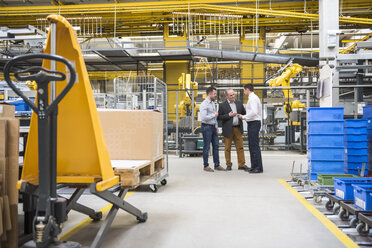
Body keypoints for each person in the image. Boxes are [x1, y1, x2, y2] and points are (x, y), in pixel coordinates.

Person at [218, 89, 249, 171]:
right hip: (228, 129)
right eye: (231, 95)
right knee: (227, 148)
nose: (233, 96)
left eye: (233, 94)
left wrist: (246, 111)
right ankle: (228, 164)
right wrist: (228, 115)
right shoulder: (222, 105)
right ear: (227, 96)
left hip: (238, 128)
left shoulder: (238, 103)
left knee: (240, 147)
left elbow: (244, 113)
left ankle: (241, 164)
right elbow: (219, 117)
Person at [238, 84, 263, 173]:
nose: (244, 92)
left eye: (244, 90)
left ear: (247, 89)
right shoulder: (253, 98)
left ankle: (258, 167)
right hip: (253, 123)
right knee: (252, 145)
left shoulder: (252, 98)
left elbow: (254, 112)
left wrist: (243, 117)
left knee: (254, 146)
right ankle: (254, 166)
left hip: (254, 123)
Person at [200, 86, 226, 172]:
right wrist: (213, 115)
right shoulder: (204, 104)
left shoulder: (212, 103)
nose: (215, 95)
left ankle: (217, 164)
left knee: (216, 146)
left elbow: (214, 117)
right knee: (207, 147)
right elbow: (203, 118)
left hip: (213, 127)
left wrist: (216, 126)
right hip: (206, 127)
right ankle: (206, 165)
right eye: (214, 93)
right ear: (209, 93)